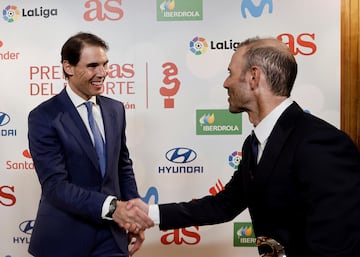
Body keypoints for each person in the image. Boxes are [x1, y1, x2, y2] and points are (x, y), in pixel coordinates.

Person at [129, 37, 360, 257]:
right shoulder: (254, 144)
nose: (225, 82)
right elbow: (225, 204)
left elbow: (335, 243)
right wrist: (147, 213)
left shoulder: (319, 142)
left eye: (230, 73)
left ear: (253, 77)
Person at [27, 32, 154, 257]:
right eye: (93, 66)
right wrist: (113, 208)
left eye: (105, 65)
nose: (102, 73)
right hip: (64, 239)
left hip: (112, 237)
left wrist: (134, 217)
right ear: (68, 67)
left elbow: (122, 166)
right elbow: (55, 186)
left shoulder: (115, 109)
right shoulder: (44, 116)